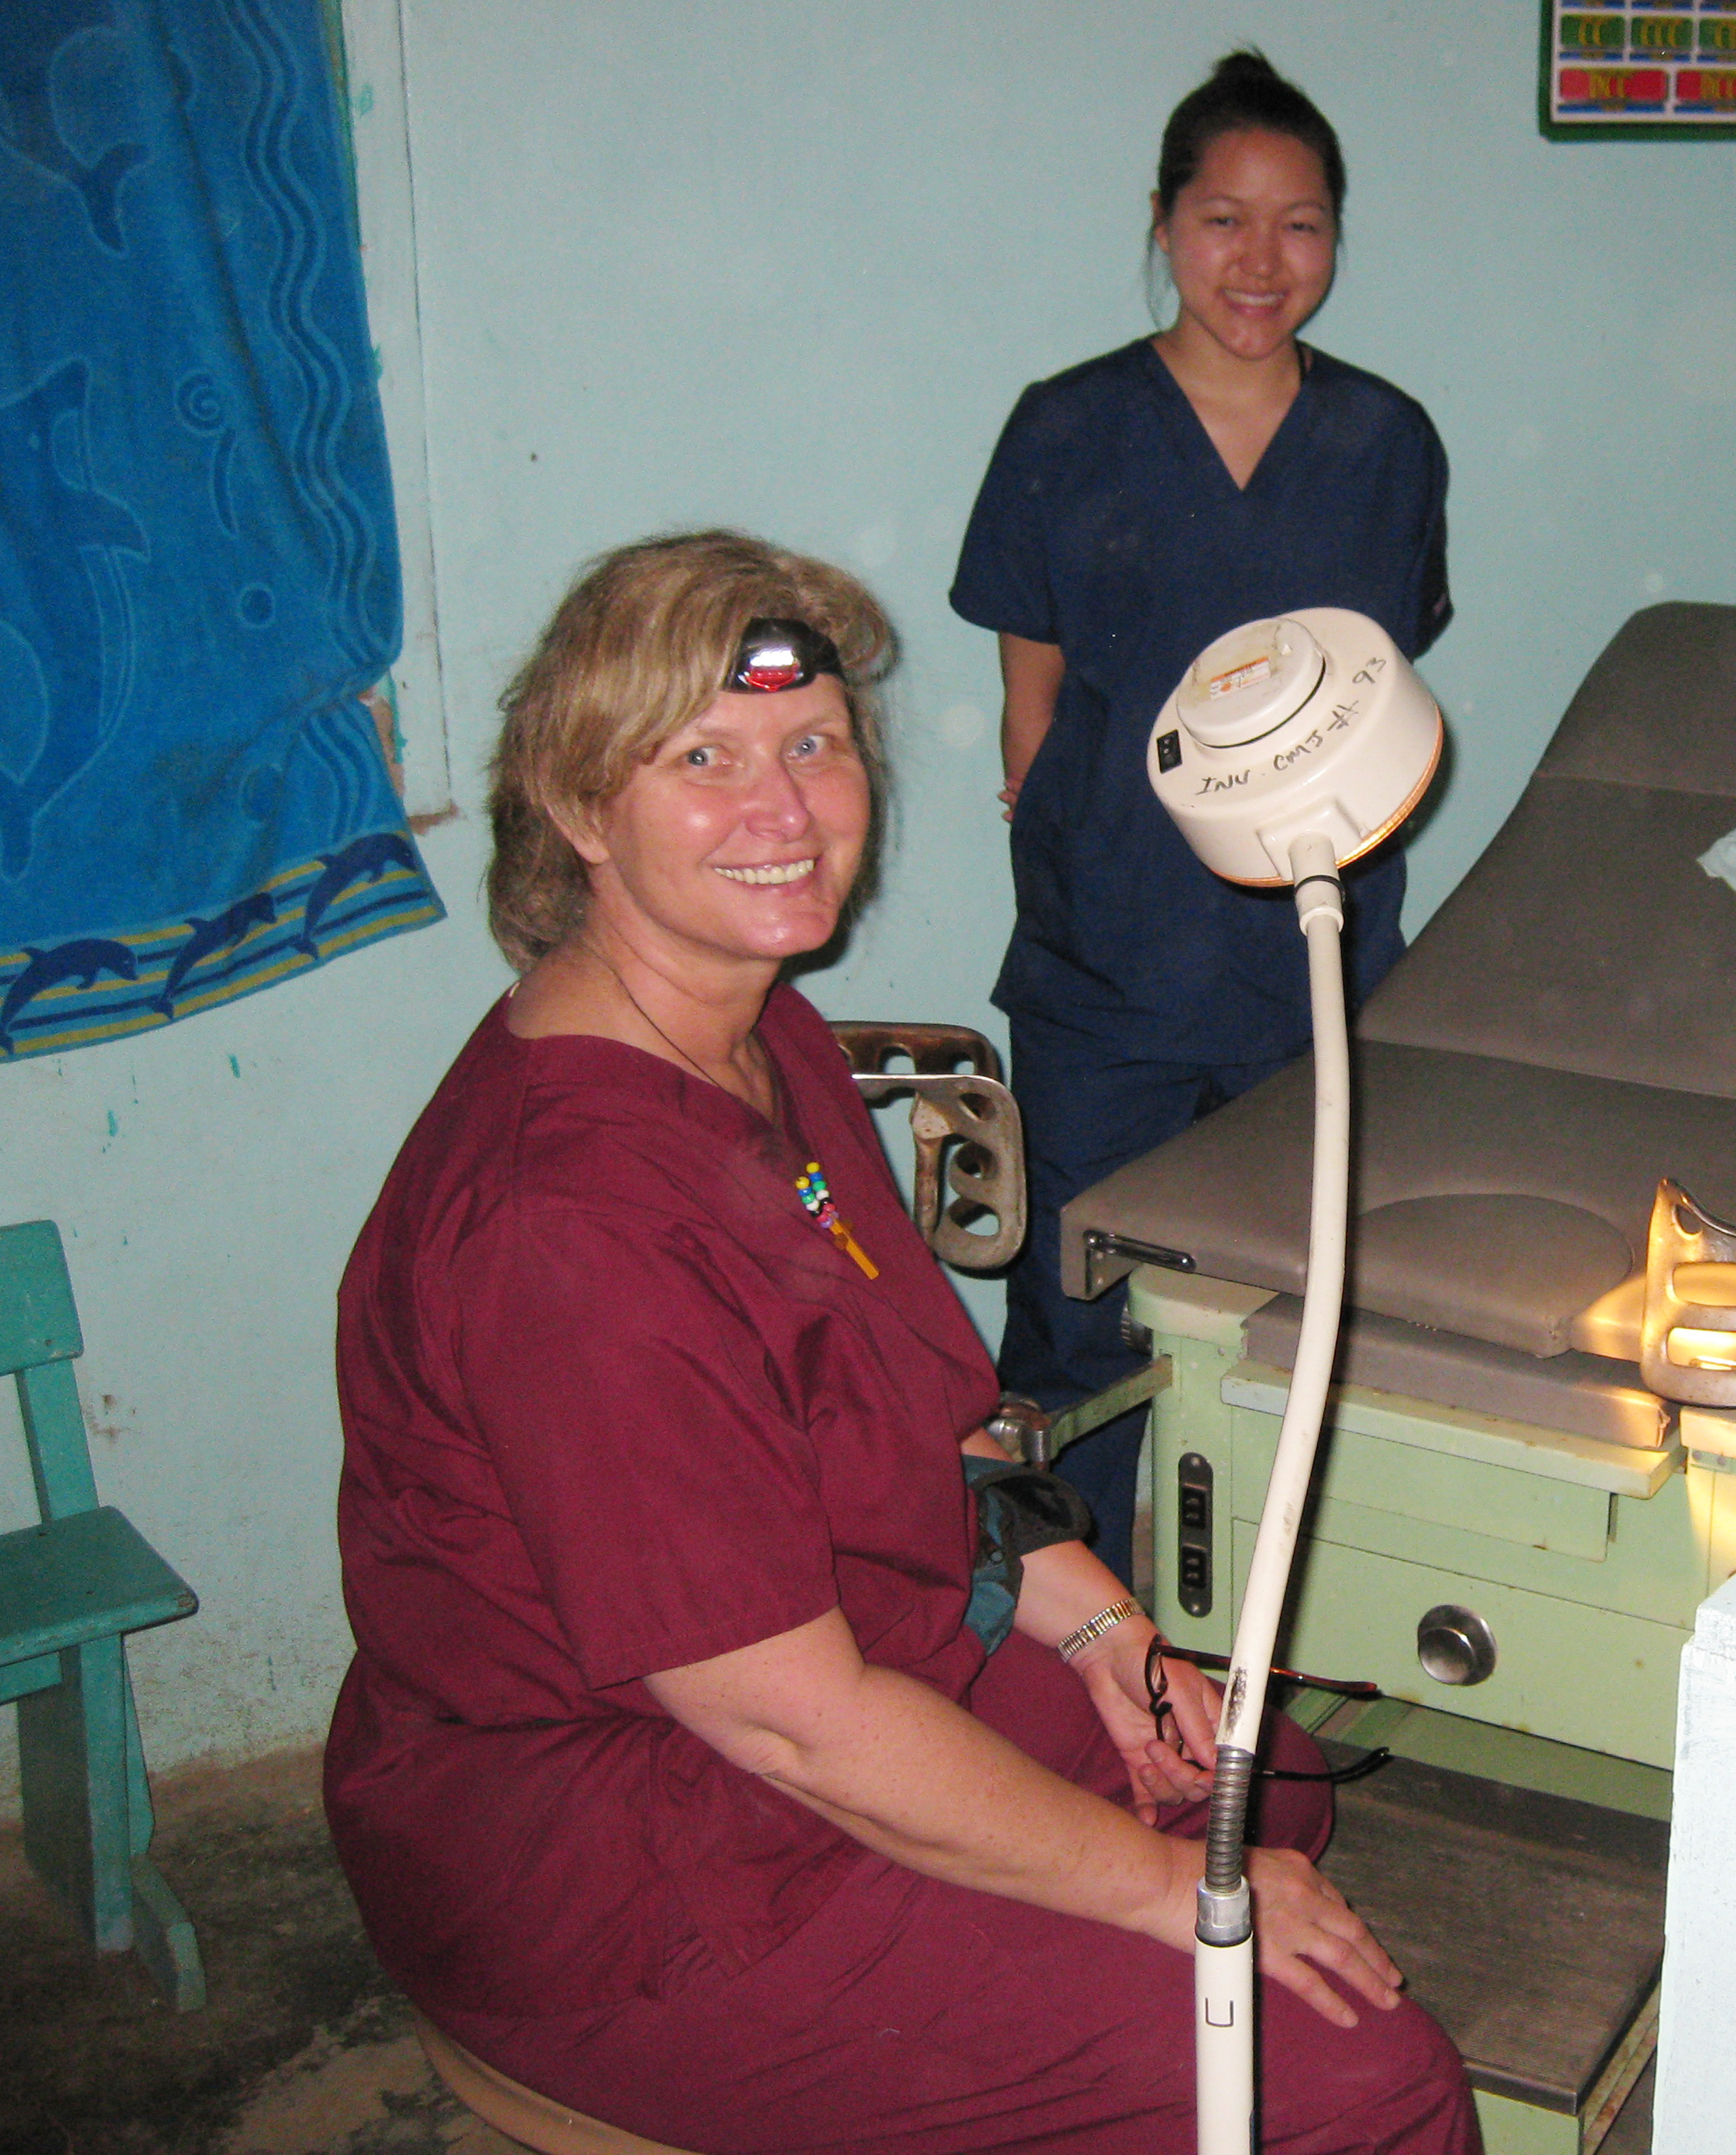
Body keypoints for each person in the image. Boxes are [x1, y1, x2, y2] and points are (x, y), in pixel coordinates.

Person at [323, 532, 1479, 2155]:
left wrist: (1099, 1627)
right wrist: (1163, 1895)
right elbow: (789, 1721)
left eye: (812, 744)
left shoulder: (760, 1033)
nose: (784, 810)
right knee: (1354, 2079)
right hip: (633, 1860)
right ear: (578, 808)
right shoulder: (569, 1229)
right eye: (704, 761)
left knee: (1258, 1782)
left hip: (846, 1662)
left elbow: (932, 1420)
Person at [950, 51, 1451, 1580]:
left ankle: (1255, 1625)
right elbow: (1032, 704)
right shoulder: (1066, 429)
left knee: (1293, 1317)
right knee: (1079, 1326)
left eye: (1301, 225)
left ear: (1336, 238)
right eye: (1225, 219)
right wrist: (1075, 867)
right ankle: (1063, 1638)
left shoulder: (1385, 442)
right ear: (1166, 225)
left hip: (1315, 962)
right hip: (1110, 969)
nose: (1261, 260)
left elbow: (1369, 698)